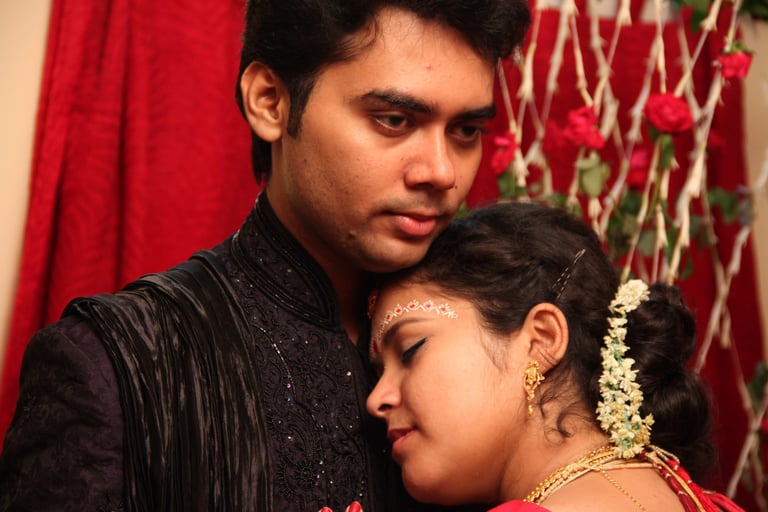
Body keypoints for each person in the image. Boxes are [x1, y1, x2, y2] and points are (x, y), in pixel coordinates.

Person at [0, 1, 531, 511]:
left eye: (466, 130)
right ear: (270, 101)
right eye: (394, 119)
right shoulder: (120, 362)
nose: (441, 171)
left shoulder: (512, 335)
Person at [366, 202, 745, 512]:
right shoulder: (700, 500)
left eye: (411, 350)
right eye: (378, 372)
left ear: (542, 340)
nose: (376, 399)